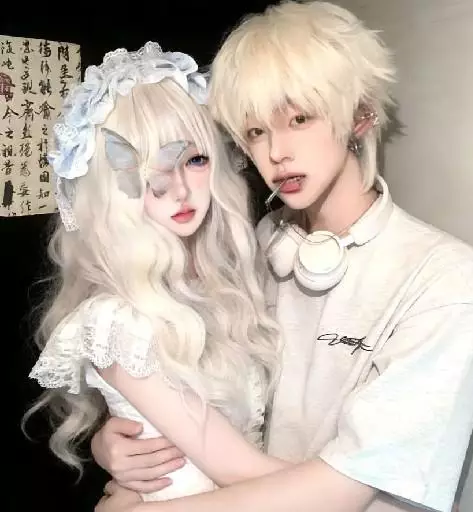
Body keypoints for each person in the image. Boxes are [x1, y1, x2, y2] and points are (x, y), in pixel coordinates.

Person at [92, 2, 473, 512]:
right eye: (255, 132)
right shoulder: (260, 244)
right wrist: (121, 437)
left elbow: (347, 489)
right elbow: (195, 392)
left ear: (360, 115)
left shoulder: (444, 277)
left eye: (299, 119)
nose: (275, 153)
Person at [25, 41, 290, 503]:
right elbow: (237, 468)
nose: (179, 189)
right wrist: (380, 492)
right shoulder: (114, 319)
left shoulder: (230, 283)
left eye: (194, 159)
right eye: (143, 170)